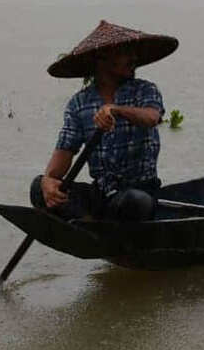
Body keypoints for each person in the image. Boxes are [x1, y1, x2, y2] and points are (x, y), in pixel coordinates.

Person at [29, 20, 177, 221]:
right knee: (38, 188)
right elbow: (63, 154)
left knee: (135, 202)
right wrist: (49, 181)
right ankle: (88, 224)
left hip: (138, 192)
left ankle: (96, 227)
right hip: (100, 195)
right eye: (127, 52)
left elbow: (151, 117)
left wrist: (117, 110)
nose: (134, 58)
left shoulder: (145, 90)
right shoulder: (79, 104)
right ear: (101, 58)